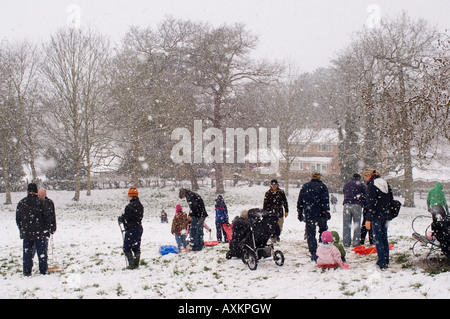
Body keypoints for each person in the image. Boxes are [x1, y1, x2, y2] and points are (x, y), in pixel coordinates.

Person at [16, 183, 51, 276]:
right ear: (36, 191)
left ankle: (27, 271)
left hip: (27, 233)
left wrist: (22, 229)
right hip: (40, 233)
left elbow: (18, 219)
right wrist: (46, 229)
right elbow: (47, 217)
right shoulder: (41, 202)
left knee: (27, 254)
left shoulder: (21, 203)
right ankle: (43, 270)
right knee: (42, 253)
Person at [362, 169, 393, 270]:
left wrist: (368, 219)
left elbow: (371, 203)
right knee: (384, 238)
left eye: (365, 177)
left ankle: (381, 262)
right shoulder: (385, 183)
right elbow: (390, 199)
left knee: (378, 239)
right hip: (386, 214)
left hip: (377, 215)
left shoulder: (372, 185)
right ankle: (386, 259)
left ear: (369, 176)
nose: (365, 179)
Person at [297, 171, 330, 262]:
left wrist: (299, 211)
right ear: (319, 177)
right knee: (323, 231)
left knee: (310, 233)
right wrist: (326, 210)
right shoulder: (323, 187)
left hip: (309, 213)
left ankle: (313, 252)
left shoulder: (305, 186)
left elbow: (300, 200)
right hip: (321, 213)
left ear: (311, 177)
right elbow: (325, 200)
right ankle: (323, 248)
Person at [118, 188, 144, 269]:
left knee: (126, 247)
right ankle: (136, 263)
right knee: (136, 247)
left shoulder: (129, 206)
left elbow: (127, 217)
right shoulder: (140, 205)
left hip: (131, 229)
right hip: (139, 227)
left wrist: (121, 219)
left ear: (131, 196)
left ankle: (131, 264)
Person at [342, 173, 366, 247]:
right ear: (359, 178)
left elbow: (344, 192)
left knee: (346, 225)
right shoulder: (361, 185)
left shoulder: (346, 184)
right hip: (356, 205)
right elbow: (365, 195)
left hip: (346, 205)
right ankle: (356, 242)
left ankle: (346, 242)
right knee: (357, 224)